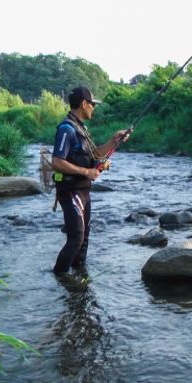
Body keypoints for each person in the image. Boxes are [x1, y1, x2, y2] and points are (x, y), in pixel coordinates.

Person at [51, 86, 130, 276]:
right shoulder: (66, 129)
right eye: (92, 104)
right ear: (84, 104)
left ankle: (79, 280)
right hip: (71, 191)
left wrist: (113, 141)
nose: (93, 108)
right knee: (76, 238)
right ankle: (59, 278)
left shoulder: (81, 128)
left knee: (84, 239)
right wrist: (86, 171)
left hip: (83, 191)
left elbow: (94, 154)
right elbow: (57, 161)